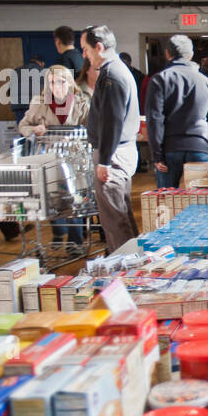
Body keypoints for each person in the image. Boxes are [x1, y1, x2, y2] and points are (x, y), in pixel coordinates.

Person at [82, 24, 141, 253]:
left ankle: (125, 269)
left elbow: (112, 121)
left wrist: (104, 160)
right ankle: (130, 262)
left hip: (114, 155)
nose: (85, 56)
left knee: (115, 218)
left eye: (86, 50)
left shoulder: (112, 74)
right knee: (120, 212)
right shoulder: (116, 71)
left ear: (99, 47)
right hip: (118, 152)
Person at [19, 65, 92, 249]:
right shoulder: (39, 102)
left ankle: (75, 242)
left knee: (74, 199)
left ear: (69, 82)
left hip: (74, 155)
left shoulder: (81, 101)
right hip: (48, 156)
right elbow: (23, 126)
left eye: (61, 81)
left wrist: (80, 134)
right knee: (51, 198)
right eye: (52, 82)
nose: (56, 86)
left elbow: (92, 128)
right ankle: (59, 232)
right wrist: (34, 130)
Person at [144, 34, 208, 189]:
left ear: (167, 53)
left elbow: (154, 119)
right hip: (198, 147)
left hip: (169, 149)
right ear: (191, 54)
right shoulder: (206, 82)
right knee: (200, 201)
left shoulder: (160, 80)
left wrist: (157, 154)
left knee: (168, 202)